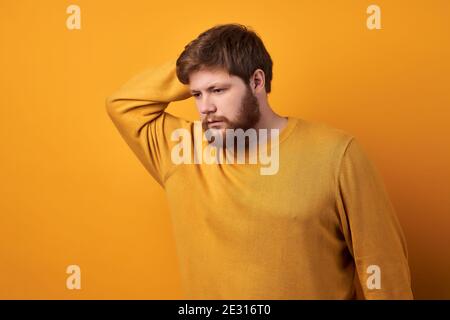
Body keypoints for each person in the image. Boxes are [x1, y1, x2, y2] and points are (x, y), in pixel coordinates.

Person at [105, 23, 413, 299]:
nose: (205, 107)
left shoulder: (338, 154)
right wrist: (198, 66)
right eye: (196, 93)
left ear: (256, 81)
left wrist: (221, 61)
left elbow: (383, 267)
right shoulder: (182, 149)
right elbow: (122, 104)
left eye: (218, 89)